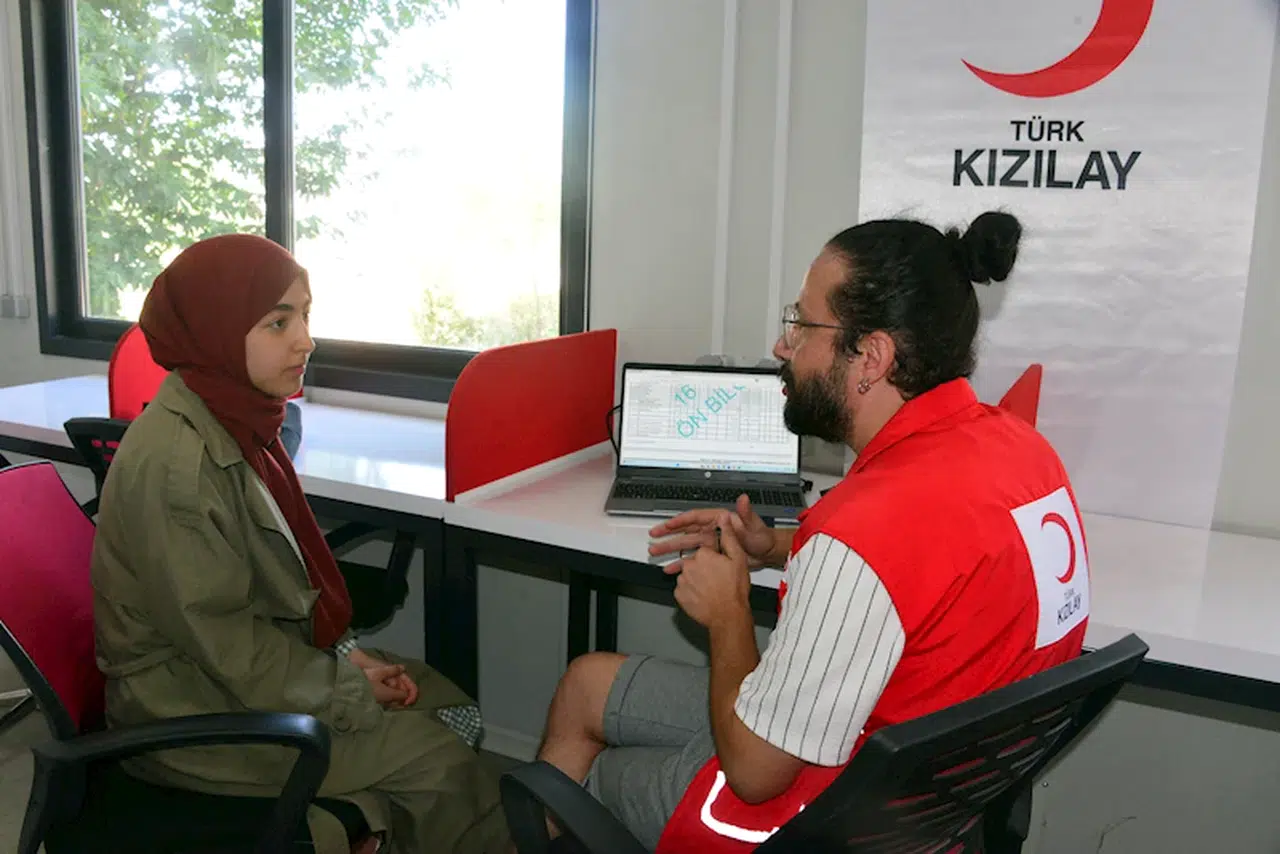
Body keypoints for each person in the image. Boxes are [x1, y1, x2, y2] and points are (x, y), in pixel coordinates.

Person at [534, 211, 1091, 852]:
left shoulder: (863, 529)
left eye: (801, 324)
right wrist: (773, 546)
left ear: (870, 357)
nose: (782, 346)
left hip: (816, 818)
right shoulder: (1021, 450)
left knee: (593, 778)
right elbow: (921, 574)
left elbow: (754, 774)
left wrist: (728, 612)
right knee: (586, 683)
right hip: (920, 791)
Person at [90, 234, 510, 854]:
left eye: (305, 316)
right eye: (278, 322)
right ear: (216, 332)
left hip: (234, 679)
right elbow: (230, 646)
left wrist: (346, 659)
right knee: (439, 763)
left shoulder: (235, 420)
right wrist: (345, 686)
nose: (306, 340)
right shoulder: (181, 468)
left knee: (442, 699)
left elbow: (267, 604)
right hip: (194, 715)